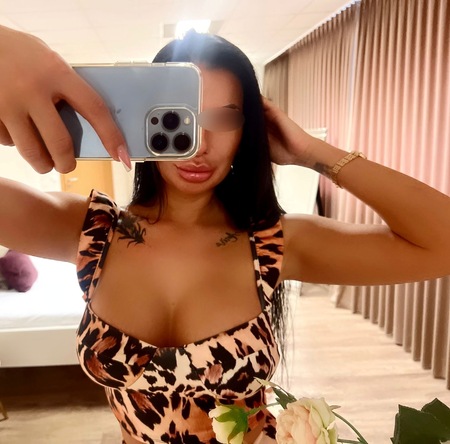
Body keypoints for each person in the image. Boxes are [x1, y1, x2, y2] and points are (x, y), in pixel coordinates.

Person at [1, 24, 450, 444]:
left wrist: (312, 152)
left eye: (225, 118)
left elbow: (441, 243)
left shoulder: (273, 244)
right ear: (144, 118)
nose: (200, 143)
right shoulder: (92, 232)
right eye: (179, 116)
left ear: (248, 130)